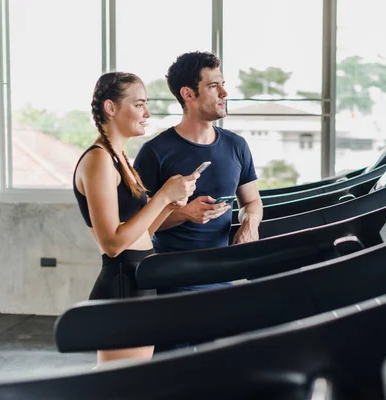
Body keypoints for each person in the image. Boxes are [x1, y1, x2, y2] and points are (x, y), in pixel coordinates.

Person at [73, 72, 199, 364]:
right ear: (111, 108)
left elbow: (141, 235)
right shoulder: (99, 160)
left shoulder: (120, 159)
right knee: (119, 388)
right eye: (139, 104)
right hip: (122, 285)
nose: (147, 112)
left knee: (128, 386)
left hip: (138, 281)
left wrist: (169, 206)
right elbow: (113, 244)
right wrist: (162, 198)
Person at [134, 51, 263, 293]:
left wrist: (250, 224)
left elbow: (252, 201)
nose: (224, 93)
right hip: (170, 282)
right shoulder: (154, 152)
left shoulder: (237, 146)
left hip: (223, 279)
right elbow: (138, 227)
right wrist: (185, 214)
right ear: (188, 94)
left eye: (223, 85)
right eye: (214, 86)